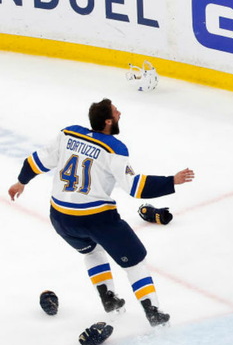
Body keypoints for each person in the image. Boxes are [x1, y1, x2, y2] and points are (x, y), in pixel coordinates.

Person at [7, 98, 194, 327]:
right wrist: (171, 181)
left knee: (92, 251)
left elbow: (35, 161)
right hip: (96, 219)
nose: (119, 114)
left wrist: (21, 182)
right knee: (135, 262)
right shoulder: (114, 148)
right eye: (116, 112)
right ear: (108, 122)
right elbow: (134, 187)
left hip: (60, 218)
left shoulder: (68, 135)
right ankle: (153, 311)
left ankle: (109, 298)